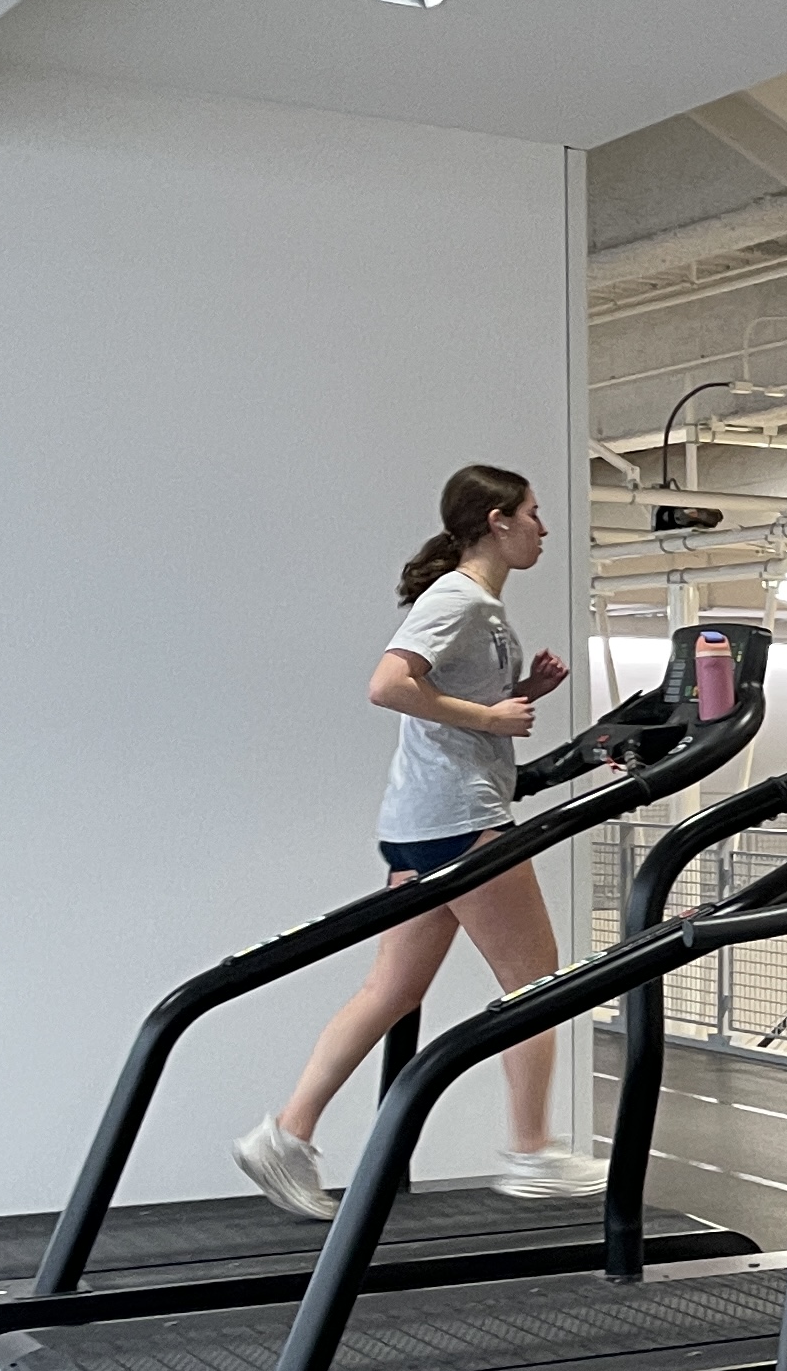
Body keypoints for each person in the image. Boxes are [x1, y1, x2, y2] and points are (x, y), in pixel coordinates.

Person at [233, 464, 608, 1216]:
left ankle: (285, 1134)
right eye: (534, 514)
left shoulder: (481, 607)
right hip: (460, 820)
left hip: (421, 820)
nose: (543, 529)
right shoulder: (460, 599)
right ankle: (531, 1151)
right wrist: (492, 721)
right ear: (498, 521)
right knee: (536, 986)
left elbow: (445, 703)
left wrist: (520, 698)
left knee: (394, 989)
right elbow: (389, 685)